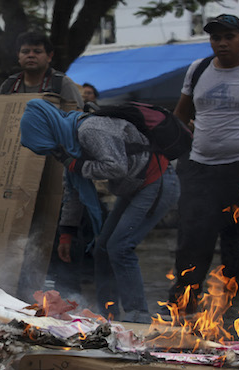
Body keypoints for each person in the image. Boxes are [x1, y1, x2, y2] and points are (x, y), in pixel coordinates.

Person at [21, 99, 180, 323]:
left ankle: (138, 315)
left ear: (48, 129)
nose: (52, 152)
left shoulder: (89, 130)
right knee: (102, 247)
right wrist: (67, 233)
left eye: (47, 145)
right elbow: (73, 191)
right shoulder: (68, 143)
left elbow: (116, 166)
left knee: (120, 246)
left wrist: (78, 165)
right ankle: (109, 314)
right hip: (134, 187)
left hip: (157, 182)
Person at [166, 14, 239, 321]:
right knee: (193, 238)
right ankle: (185, 302)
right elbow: (181, 114)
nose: (221, 43)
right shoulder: (199, 69)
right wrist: (171, 150)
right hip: (202, 167)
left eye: (228, 36)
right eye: (216, 38)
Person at [0, 31, 84, 109]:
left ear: (49, 56)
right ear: (18, 56)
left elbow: (77, 118)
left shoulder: (62, 84)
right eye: (25, 51)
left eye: (37, 51)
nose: (31, 55)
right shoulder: (9, 85)